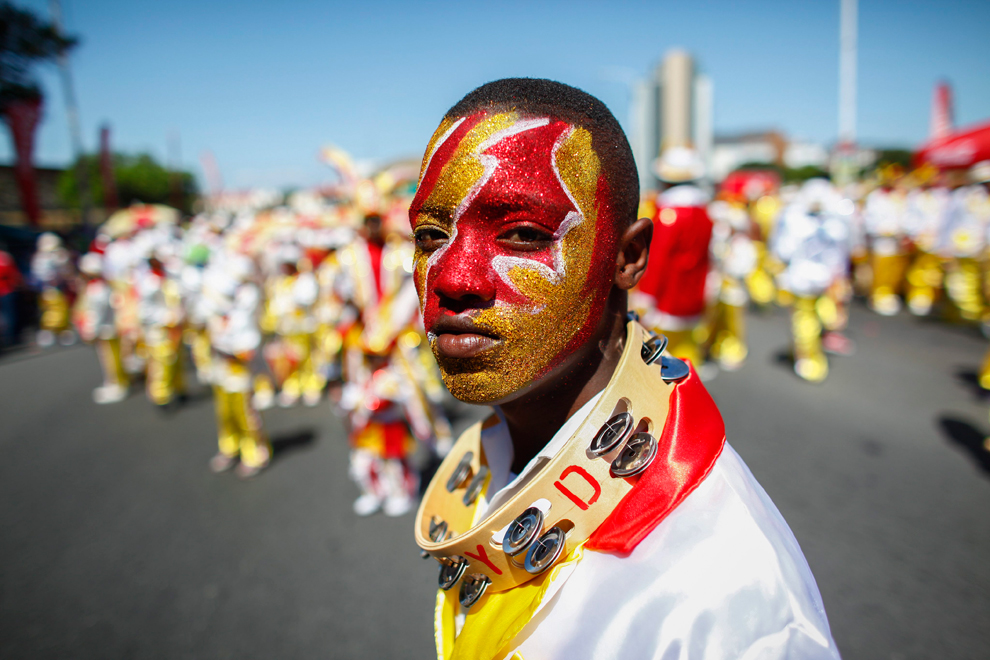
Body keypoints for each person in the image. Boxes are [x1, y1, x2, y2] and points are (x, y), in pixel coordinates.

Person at [410, 78, 838, 660]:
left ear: (629, 256)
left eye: (523, 235)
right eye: (431, 235)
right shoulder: (497, 451)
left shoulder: (726, 603)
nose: (453, 280)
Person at [634, 146, 713, 367]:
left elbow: (657, 259)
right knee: (689, 354)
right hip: (694, 293)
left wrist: (647, 297)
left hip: (667, 295)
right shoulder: (704, 212)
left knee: (660, 357)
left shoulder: (669, 213)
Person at [74, 252, 129, 403]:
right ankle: (116, 382)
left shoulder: (95, 290)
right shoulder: (106, 286)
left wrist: (89, 331)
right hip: (110, 329)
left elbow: (95, 315)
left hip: (105, 331)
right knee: (113, 358)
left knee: (110, 359)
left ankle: (117, 384)